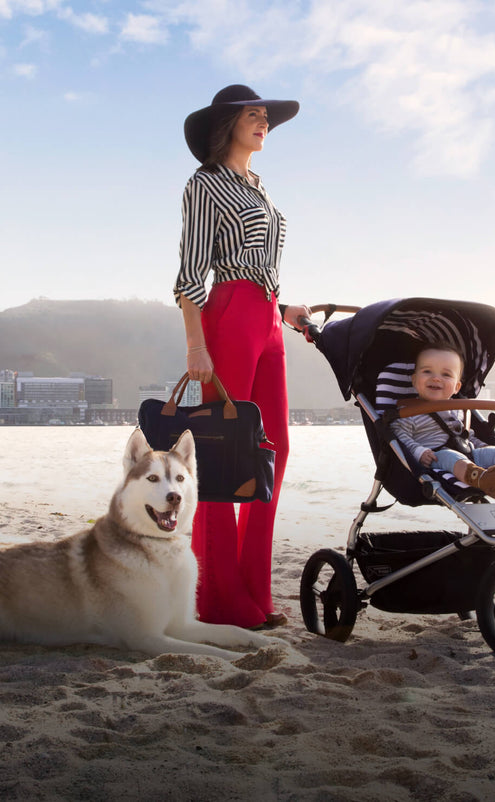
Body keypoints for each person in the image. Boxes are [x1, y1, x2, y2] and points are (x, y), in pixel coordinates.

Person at [173, 85, 310, 629]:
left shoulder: (260, 187)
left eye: (266, 117)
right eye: (253, 115)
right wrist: (195, 342)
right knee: (223, 455)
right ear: (226, 124)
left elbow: (259, 266)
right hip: (226, 317)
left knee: (271, 452)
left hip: (268, 319)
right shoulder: (206, 184)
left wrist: (283, 307)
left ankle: (255, 590)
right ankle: (219, 599)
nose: (263, 123)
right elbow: (191, 274)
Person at [390, 342, 495, 501]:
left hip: (468, 453)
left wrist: (481, 447)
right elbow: (401, 438)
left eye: (446, 374)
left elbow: (465, 435)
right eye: (427, 371)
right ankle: (485, 480)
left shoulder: (458, 409)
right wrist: (419, 452)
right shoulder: (408, 413)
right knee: (450, 456)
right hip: (435, 458)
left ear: (457, 387)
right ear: (414, 380)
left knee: (493, 452)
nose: (436, 378)